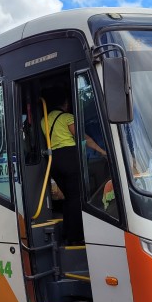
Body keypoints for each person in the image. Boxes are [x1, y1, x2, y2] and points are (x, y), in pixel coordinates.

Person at [41, 86, 106, 245]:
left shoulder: (44, 120)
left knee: (69, 198)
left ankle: (67, 233)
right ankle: (76, 237)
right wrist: (102, 151)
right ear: (65, 103)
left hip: (54, 161)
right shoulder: (67, 117)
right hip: (69, 157)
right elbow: (82, 137)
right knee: (77, 198)